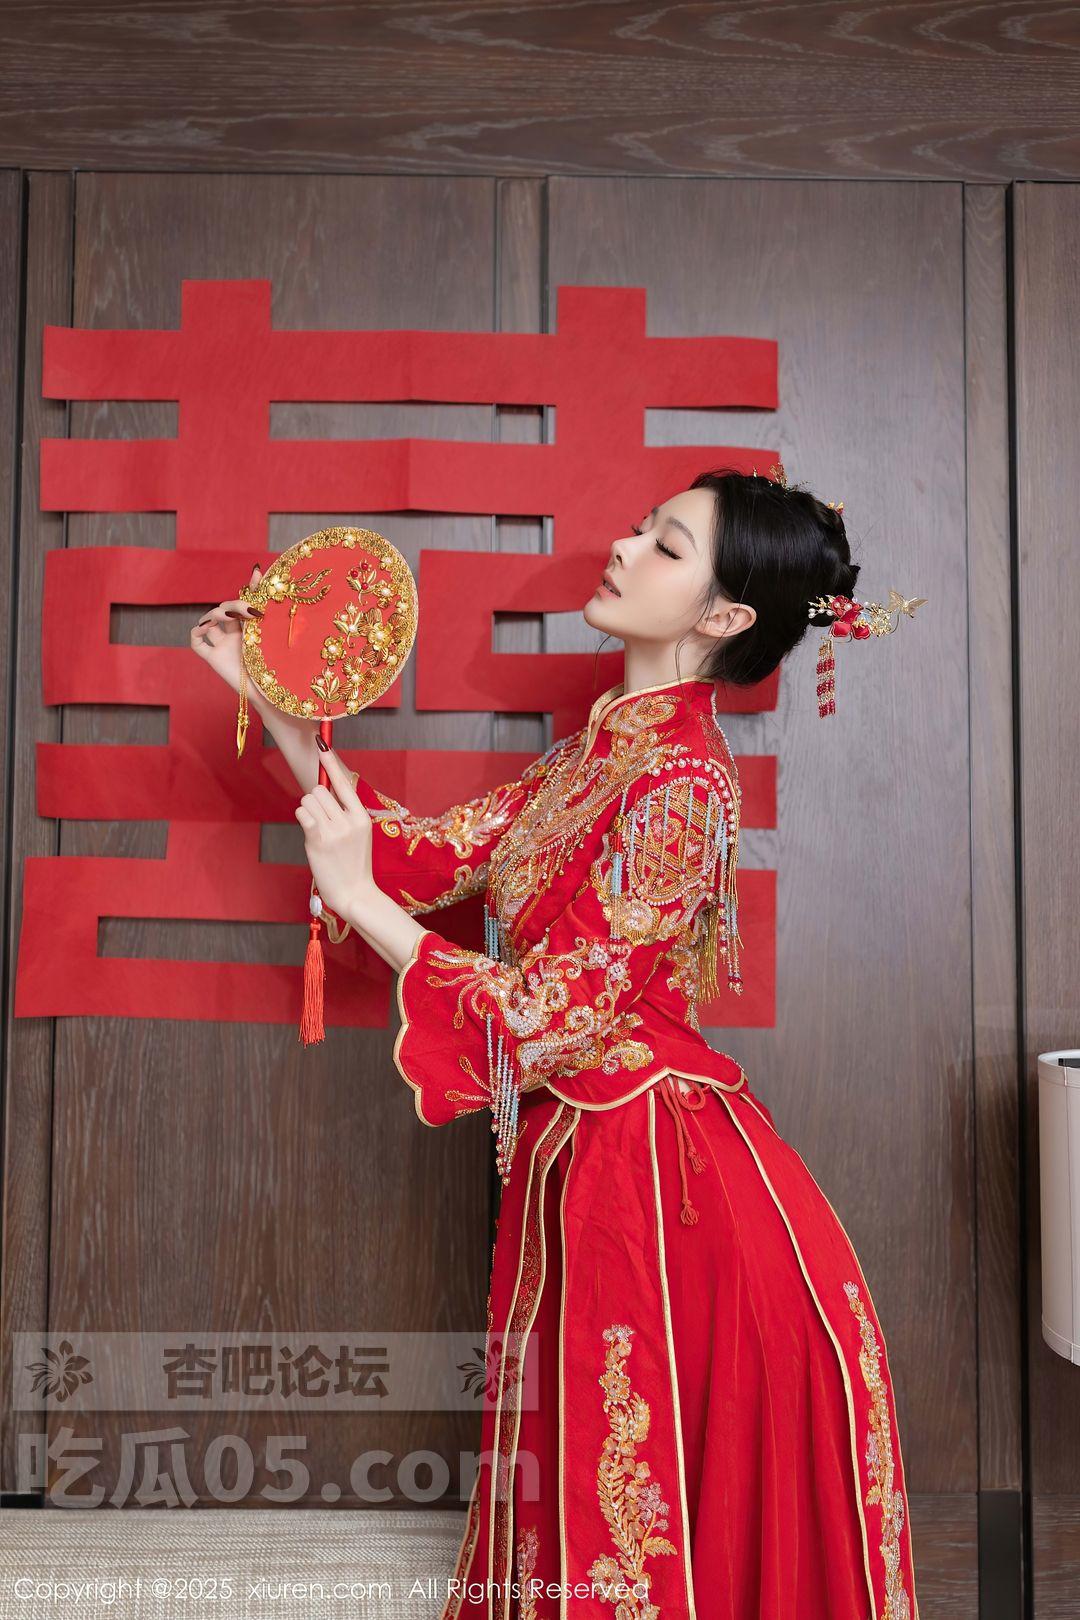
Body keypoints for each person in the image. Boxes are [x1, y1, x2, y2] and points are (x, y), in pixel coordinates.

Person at [191, 468, 920, 1620]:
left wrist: (357, 901)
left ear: (725, 616)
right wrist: (272, 700)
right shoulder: (595, 756)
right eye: (640, 528)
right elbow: (425, 856)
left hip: (664, 1189)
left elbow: (549, 1015)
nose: (623, 549)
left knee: (622, 1502)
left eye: (666, 546)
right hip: (593, 1160)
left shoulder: (682, 781)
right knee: (590, 1490)